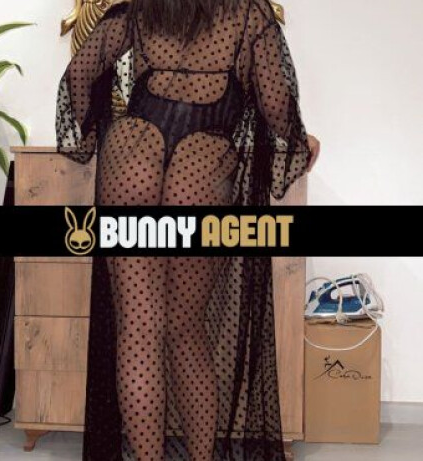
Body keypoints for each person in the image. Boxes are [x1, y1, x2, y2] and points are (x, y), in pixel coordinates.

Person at [56, 0, 320, 460]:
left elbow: (79, 74)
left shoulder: (140, 8)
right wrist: (301, 143)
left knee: (137, 331)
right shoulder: (247, 14)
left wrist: (92, 135)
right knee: (186, 328)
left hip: (132, 153)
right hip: (200, 164)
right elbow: (277, 104)